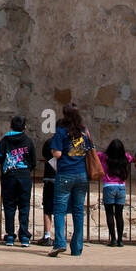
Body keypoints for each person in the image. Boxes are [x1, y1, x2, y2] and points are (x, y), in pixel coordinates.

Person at [48, 104, 93, 257]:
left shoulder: (61, 131)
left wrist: (53, 150)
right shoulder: (84, 132)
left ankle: (60, 242)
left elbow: (58, 154)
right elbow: (89, 149)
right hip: (81, 173)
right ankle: (77, 247)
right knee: (78, 211)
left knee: (60, 210)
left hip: (66, 173)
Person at [0, 115, 37, 247]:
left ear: (11, 126)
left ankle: (10, 235)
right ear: (24, 127)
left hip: (9, 176)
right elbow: (33, 161)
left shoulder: (4, 140)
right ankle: (24, 236)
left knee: (9, 206)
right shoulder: (28, 141)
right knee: (24, 206)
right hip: (24, 176)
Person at [98, 139, 133, 247]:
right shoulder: (125, 157)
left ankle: (113, 238)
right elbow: (131, 158)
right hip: (121, 186)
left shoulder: (105, 157)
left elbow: (96, 154)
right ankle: (120, 240)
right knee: (119, 214)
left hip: (109, 186)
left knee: (109, 213)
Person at [35, 130, 57, 247]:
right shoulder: (67, 143)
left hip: (50, 177)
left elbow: (45, 154)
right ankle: (60, 236)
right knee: (60, 209)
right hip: (63, 178)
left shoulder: (50, 142)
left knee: (48, 208)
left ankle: (47, 235)